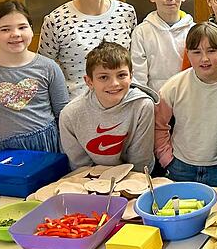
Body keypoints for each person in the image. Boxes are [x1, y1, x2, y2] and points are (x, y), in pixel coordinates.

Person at [155, 22, 217, 186]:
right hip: (180, 167)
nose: (205, 59)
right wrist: (166, 158)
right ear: (187, 53)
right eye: (196, 52)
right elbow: (159, 125)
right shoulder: (173, 86)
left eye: (212, 50)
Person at [39, 0, 137, 99]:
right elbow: (43, 71)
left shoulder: (126, 13)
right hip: (77, 108)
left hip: (123, 104)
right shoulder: (56, 20)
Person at [0, 0, 69, 155]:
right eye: (5, 29)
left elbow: (63, 114)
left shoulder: (49, 67)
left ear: (31, 29)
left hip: (46, 147)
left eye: (22, 27)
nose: (16, 34)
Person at [60, 41, 157, 172]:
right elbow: (80, 166)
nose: (114, 83)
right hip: (90, 178)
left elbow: (140, 160)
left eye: (121, 75)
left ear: (131, 76)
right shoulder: (70, 114)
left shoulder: (143, 106)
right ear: (89, 81)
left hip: (135, 176)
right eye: (104, 77)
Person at [130, 0, 194, 91]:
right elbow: (138, 77)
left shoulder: (194, 31)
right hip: (154, 101)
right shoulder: (142, 32)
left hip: (188, 98)